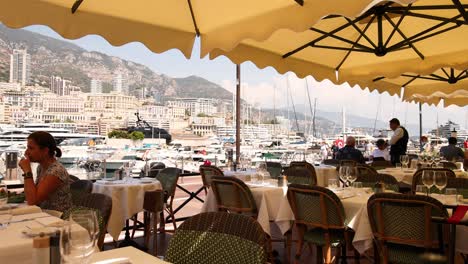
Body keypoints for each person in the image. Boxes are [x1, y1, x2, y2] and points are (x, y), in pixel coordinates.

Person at [18, 131, 72, 212]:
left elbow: (33, 201)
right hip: (44, 215)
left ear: (45, 151)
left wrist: (27, 171)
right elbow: (32, 194)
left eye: (31, 148)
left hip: (59, 218)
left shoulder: (56, 171)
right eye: (27, 148)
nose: (26, 152)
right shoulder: (41, 167)